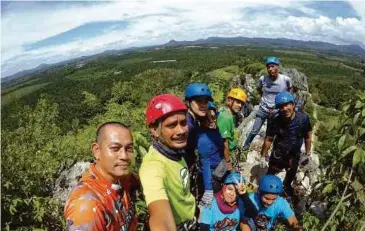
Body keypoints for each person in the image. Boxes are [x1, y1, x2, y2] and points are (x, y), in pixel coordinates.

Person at [64, 122, 137, 231]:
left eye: (129, 148)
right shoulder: (87, 206)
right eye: (115, 148)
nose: (124, 156)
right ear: (97, 151)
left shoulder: (121, 178)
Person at [139, 94, 196, 231]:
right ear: (155, 130)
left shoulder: (175, 152)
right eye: (171, 125)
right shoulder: (153, 167)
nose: (181, 130)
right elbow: (160, 217)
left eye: (183, 123)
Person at [260, 91, 312, 197]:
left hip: (294, 155)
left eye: (287, 105)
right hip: (279, 153)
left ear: (293, 105)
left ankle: (284, 193)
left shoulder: (303, 119)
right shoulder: (275, 119)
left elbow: (307, 137)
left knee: (289, 177)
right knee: (270, 175)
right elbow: (269, 139)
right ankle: (263, 192)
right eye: (281, 106)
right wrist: (263, 155)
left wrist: (307, 153)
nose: (284, 109)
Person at [243, 57, 293, 150]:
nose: (270, 69)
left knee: (269, 134)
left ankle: (264, 153)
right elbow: (259, 88)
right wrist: (263, 98)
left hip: (276, 111)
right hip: (263, 108)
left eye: (272, 66)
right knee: (254, 130)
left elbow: (289, 90)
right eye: (268, 67)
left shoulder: (285, 79)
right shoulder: (263, 79)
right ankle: (245, 147)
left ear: (278, 67)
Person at [197, 101, 225, 207]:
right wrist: (208, 189)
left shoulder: (214, 131)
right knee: (212, 205)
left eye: (213, 117)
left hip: (219, 170)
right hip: (211, 177)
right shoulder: (203, 138)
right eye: (207, 119)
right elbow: (205, 163)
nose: (211, 121)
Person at [217, 88, 247, 170]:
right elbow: (224, 143)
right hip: (224, 157)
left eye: (242, 104)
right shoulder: (225, 117)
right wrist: (228, 162)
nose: (240, 106)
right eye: (238, 102)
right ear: (230, 100)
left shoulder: (226, 113)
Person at [184, 83, 213, 168]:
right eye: (199, 101)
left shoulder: (194, 121)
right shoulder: (188, 125)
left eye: (206, 102)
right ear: (188, 103)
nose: (203, 105)